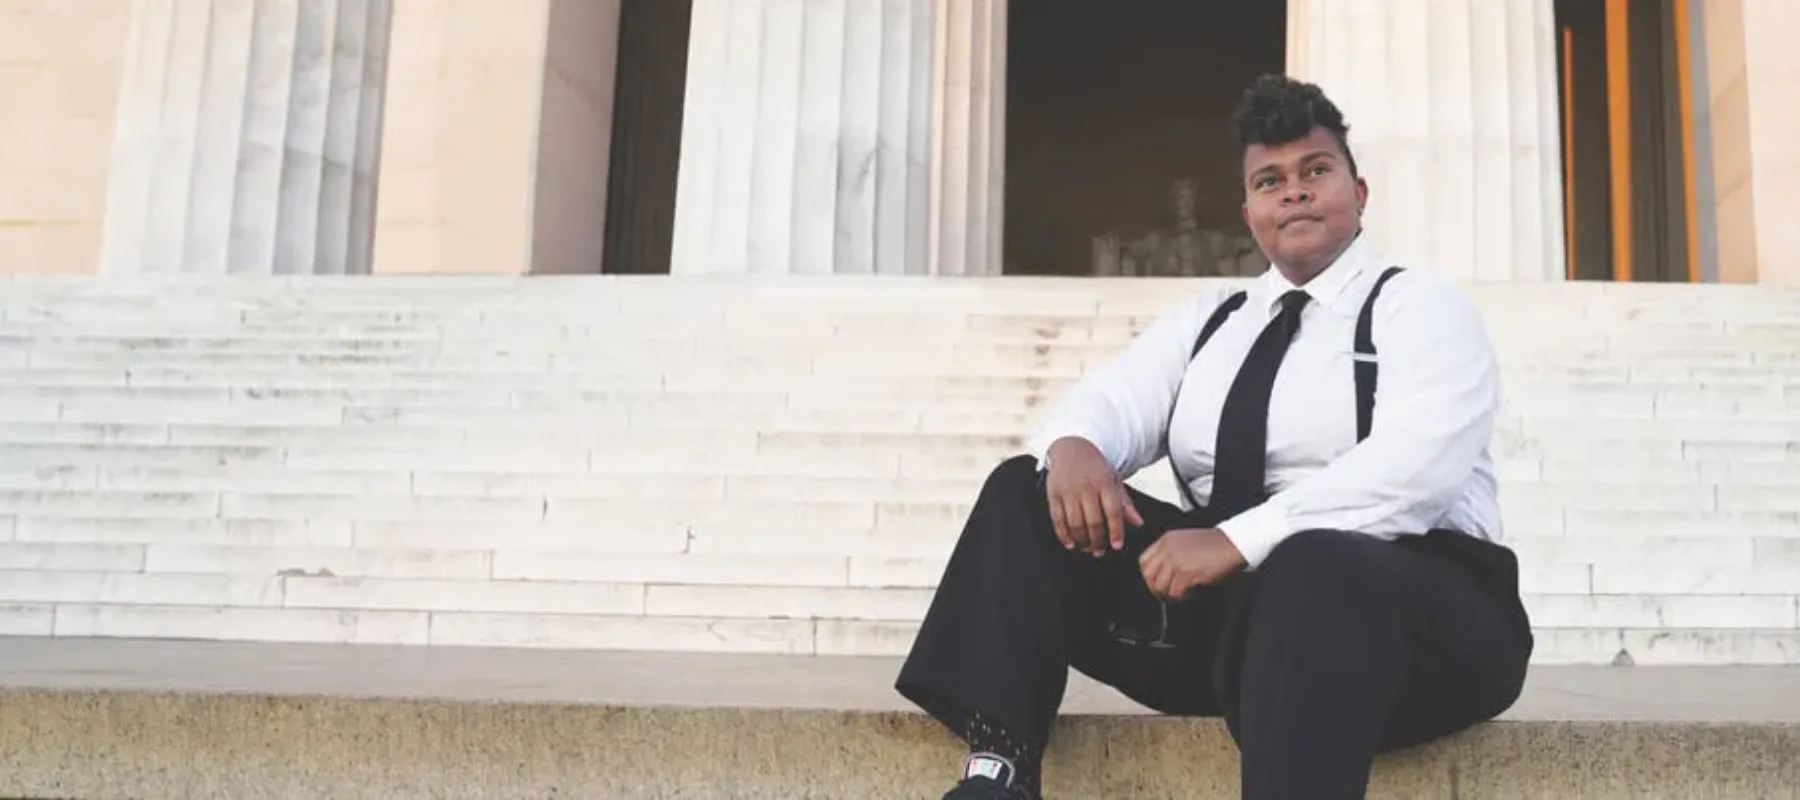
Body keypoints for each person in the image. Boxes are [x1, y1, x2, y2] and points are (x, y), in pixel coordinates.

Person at [894, 73, 1534, 799]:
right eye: (1270, 181)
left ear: (1359, 193)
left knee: (1316, 564)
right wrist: (1074, 445)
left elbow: (1416, 469)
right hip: (1239, 635)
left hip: (1419, 625)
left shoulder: (1419, 306)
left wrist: (1236, 541)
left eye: (1314, 172)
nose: (1293, 192)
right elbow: (1112, 401)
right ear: (1249, 211)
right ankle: (999, 770)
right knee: (1025, 489)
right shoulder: (1214, 319)